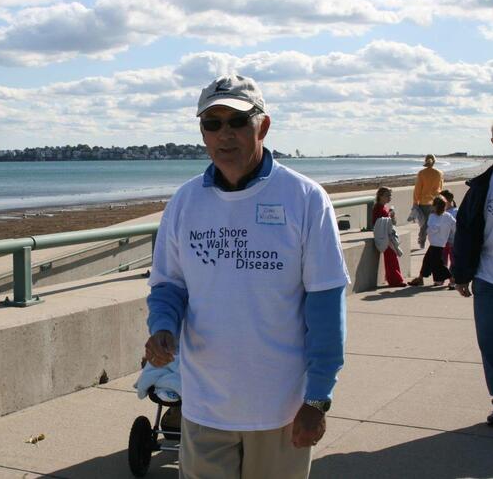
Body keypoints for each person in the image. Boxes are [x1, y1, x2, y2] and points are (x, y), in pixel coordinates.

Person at [144, 75, 350, 479]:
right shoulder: (186, 201)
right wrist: (163, 327)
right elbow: (169, 285)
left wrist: (318, 398)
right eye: (212, 123)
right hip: (204, 404)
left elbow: (326, 306)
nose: (225, 134)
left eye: (237, 121)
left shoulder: (305, 199)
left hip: (281, 409)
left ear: (263, 126)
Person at [452, 122, 493, 426]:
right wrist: (461, 274)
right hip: (487, 278)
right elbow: (465, 232)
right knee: (490, 344)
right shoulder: (483, 186)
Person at [408, 195, 455, 287]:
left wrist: (431, 229)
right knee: (427, 261)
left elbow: (432, 228)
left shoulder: (433, 216)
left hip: (435, 245)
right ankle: (420, 278)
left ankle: (452, 279)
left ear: (435, 206)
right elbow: (455, 226)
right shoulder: (448, 216)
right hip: (440, 244)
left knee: (438, 264)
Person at [372, 187, 407, 287]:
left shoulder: (382, 207)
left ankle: (395, 279)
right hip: (385, 237)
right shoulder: (378, 208)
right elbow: (378, 223)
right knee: (391, 258)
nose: (389, 197)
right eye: (387, 195)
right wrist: (389, 217)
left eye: (390, 195)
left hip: (387, 236)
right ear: (381, 196)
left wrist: (389, 216)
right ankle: (395, 280)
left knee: (392, 258)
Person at [412, 154, 444, 249]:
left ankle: (422, 242)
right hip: (436, 202)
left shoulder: (421, 173)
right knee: (436, 223)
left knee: (424, 224)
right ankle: (435, 243)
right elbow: (441, 188)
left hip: (424, 202)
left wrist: (415, 201)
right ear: (434, 162)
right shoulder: (439, 173)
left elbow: (417, 188)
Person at [439, 189, 458, 288]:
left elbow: (456, 227)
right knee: (442, 260)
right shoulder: (440, 212)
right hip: (442, 241)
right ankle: (441, 278)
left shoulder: (455, 212)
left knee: (453, 261)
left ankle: (453, 280)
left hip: (452, 241)